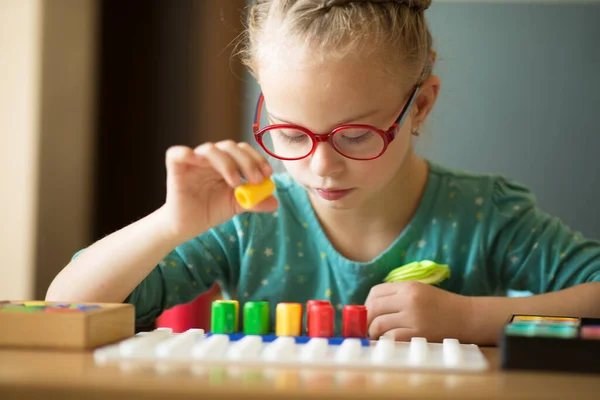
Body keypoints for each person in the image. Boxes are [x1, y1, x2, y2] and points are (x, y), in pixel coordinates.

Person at [46, 0, 600, 345]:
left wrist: (473, 320)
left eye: (355, 136)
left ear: (421, 107)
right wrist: (170, 223)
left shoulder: (485, 217)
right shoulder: (251, 216)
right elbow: (61, 308)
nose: (320, 165)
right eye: (289, 134)